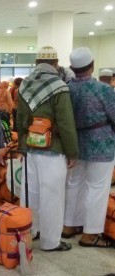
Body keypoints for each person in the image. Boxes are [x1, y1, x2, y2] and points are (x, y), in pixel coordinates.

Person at [17, 46, 78, 252]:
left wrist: (22, 146)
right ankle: (51, 242)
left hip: (31, 148)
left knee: (30, 193)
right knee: (52, 196)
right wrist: (72, 152)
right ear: (55, 64)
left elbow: (20, 120)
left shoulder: (25, 84)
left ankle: (31, 231)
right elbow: (65, 122)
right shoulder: (58, 85)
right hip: (53, 149)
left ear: (36, 63)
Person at [63, 47, 115, 248]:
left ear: (72, 68)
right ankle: (90, 233)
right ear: (92, 66)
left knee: (75, 183)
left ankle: (69, 225)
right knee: (97, 188)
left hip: (75, 143)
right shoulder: (103, 89)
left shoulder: (67, 88)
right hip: (101, 144)